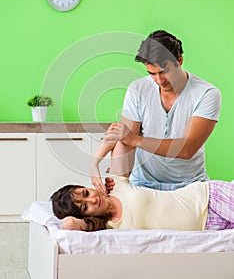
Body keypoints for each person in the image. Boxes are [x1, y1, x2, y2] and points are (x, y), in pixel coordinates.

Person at [91, 30, 222, 193]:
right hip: (143, 184)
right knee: (123, 144)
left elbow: (187, 149)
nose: (159, 80)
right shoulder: (138, 89)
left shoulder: (206, 93)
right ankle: (120, 194)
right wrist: (95, 164)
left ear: (179, 60)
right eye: (152, 74)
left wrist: (136, 140)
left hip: (189, 186)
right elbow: (124, 136)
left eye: (164, 71)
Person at [51, 141, 234, 232]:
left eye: (86, 192)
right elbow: (68, 224)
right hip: (207, 227)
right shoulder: (109, 227)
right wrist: (86, 222)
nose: (92, 199)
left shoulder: (116, 186)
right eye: (85, 206)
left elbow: (122, 137)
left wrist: (94, 164)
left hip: (207, 198)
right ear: (85, 216)